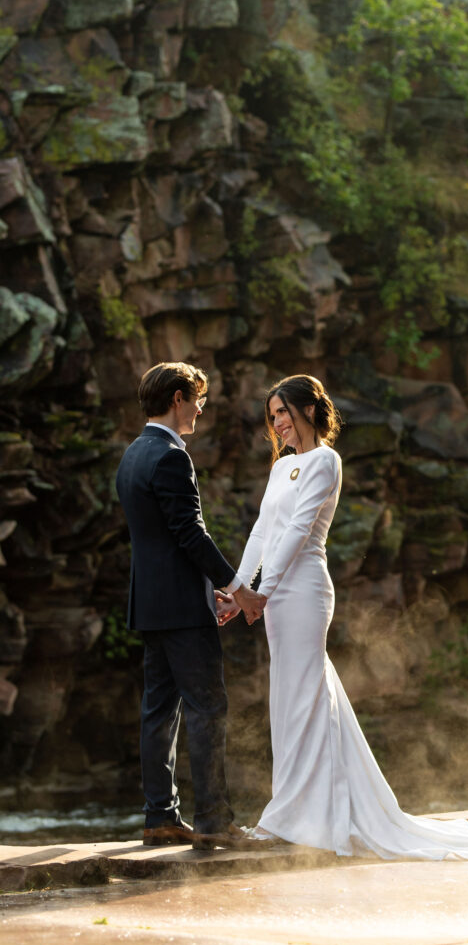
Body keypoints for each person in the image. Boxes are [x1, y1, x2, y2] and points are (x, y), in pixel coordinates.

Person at [235, 374, 468, 860]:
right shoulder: (281, 469)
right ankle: (297, 811)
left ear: (309, 411)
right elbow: (260, 532)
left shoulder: (326, 461)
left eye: (283, 413)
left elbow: (297, 531)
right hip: (275, 597)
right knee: (291, 700)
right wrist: (238, 590)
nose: (277, 423)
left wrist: (262, 590)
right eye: (271, 415)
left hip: (304, 591)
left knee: (303, 698)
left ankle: (300, 817)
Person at [116, 361, 267, 850]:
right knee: (208, 708)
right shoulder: (171, 457)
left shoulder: (132, 455)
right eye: (198, 398)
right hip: (183, 607)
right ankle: (214, 821)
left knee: (157, 711)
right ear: (178, 397)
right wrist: (236, 588)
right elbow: (189, 534)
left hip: (149, 605)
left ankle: (160, 816)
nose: (201, 407)